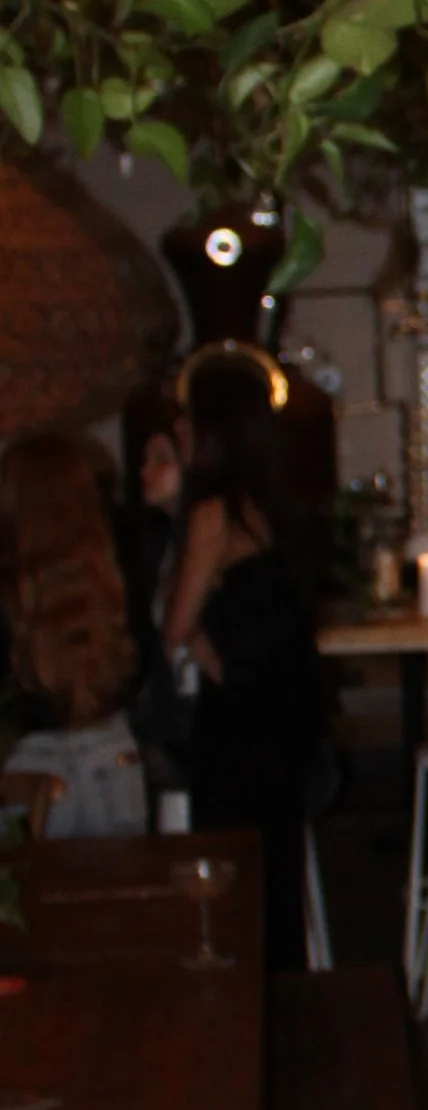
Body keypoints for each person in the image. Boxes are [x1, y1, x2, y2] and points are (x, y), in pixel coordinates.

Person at [161, 351, 324, 968]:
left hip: (238, 726)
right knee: (276, 869)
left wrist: (204, 647)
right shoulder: (273, 507)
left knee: (234, 875)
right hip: (283, 711)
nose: (178, 429)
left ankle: (245, 1007)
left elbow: (177, 623)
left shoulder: (213, 513)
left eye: (187, 420)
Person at [0, 432, 148, 835]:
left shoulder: (12, 590)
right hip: (112, 751)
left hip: (29, 766)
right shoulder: (113, 578)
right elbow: (141, 663)